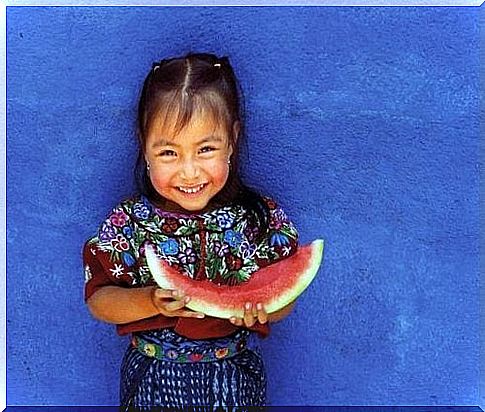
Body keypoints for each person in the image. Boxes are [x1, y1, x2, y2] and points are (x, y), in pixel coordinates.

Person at [82, 52, 299, 410]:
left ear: (232, 139)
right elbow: (99, 300)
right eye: (168, 152)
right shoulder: (128, 223)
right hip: (152, 377)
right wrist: (148, 300)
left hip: (231, 377)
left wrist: (263, 308)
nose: (189, 173)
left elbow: (284, 298)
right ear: (144, 147)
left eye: (206, 149)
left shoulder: (258, 220)